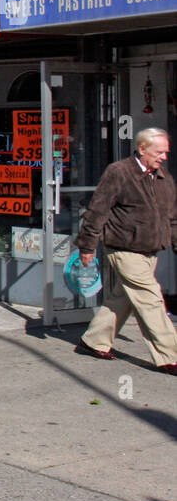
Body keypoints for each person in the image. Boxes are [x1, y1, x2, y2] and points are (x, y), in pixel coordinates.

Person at [73, 127, 177, 374]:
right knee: (150, 299)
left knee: (122, 299)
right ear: (142, 149)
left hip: (149, 250)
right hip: (124, 248)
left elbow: (172, 217)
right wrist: (87, 245)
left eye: (166, 153)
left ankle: (93, 341)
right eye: (159, 152)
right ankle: (169, 355)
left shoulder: (163, 177)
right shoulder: (119, 172)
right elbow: (98, 210)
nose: (164, 157)